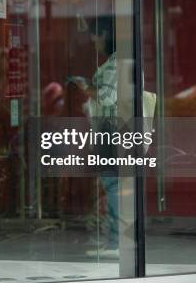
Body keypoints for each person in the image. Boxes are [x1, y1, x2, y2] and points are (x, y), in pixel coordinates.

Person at [69, 16, 119, 259]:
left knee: (113, 186)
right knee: (113, 186)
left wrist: (84, 87)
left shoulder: (116, 65)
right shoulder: (116, 63)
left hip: (113, 132)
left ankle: (118, 242)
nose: (93, 40)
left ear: (107, 35)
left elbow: (107, 97)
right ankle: (116, 241)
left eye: (96, 35)